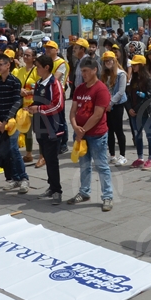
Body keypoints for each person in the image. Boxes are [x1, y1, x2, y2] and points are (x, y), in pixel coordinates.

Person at [66, 59, 114, 211]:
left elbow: (97, 115)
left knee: (101, 166)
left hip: (96, 134)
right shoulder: (79, 89)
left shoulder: (101, 89)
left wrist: (82, 130)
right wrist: (75, 127)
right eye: (82, 71)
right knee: (84, 165)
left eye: (86, 70)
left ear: (94, 70)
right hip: (81, 134)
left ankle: (107, 196)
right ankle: (84, 191)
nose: (83, 74)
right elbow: (72, 111)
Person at [28, 55, 65, 203]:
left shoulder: (54, 84)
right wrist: (30, 108)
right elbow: (37, 102)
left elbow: (58, 105)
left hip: (53, 128)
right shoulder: (38, 83)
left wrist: (39, 109)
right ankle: (52, 187)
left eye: (37, 66)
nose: (36, 69)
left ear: (46, 67)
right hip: (40, 127)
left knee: (52, 160)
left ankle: (57, 191)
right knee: (47, 159)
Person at [0, 54, 26, 190]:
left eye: (0, 64)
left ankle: (23, 178)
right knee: (6, 152)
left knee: (14, 149)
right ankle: (13, 178)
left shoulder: (15, 82)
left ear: (8, 65)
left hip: (13, 121)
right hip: (1, 122)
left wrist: (6, 120)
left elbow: (17, 102)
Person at [126, 55, 151, 169]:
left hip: (146, 112)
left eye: (135, 64)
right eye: (132, 64)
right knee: (137, 135)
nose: (133, 66)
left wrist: (137, 108)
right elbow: (128, 95)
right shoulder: (133, 79)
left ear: (142, 65)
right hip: (133, 112)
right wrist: (129, 108)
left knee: (149, 135)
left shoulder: (149, 79)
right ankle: (140, 158)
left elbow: (150, 97)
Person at [44, 40, 70, 157]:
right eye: (46, 48)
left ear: (56, 50)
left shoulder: (61, 63)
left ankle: (63, 143)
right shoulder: (46, 61)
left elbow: (54, 79)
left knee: (60, 119)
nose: (47, 50)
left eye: (50, 48)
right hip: (47, 94)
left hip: (58, 94)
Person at [102, 51, 128, 166]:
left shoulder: (121, 74)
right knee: (109, 131)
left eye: (110, 60)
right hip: (106, 106)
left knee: (118, 130)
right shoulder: (104, 74)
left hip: (116, 105)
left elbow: (121, 91)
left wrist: (111, 103)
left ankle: (122, 155)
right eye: (106, 61)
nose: (108, 63)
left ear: (114, 60)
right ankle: (112, 155)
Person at [13, 47, 39, 163]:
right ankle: (29, 154)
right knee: (27, 131)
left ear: (34, 58)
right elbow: (16, 86)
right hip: (23, 106)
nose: (25, 57)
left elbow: (41, 88)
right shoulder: (20, 71)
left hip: (35, 105)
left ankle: (42, 156)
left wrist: (29, 92)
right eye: (24, 55)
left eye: (28, 55)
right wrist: (19, 91)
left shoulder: (37, 71)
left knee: (38, 132)